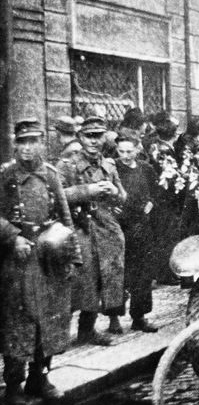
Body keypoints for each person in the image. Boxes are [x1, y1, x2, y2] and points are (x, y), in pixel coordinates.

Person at [0, 118, 81, 405]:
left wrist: (73, 256)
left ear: (42, 143)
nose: (27, 147)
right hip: (17, 262)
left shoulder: (51, 174)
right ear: (15, 144)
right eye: (22, 142)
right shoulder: (5, 175)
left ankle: (40, 378)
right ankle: (13, 386)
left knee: (49, 320)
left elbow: (65, 214)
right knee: (18, 322)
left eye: (33, 141)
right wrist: (13, 237)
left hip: (49, 258)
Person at [57, 116, 127, 344]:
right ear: (80, 137)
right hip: (80, 227)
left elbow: (123, 197)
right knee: (80, 280)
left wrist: (114, 192)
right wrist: (88, 190)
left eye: (98, 136)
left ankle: (88, 329)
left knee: (104, 279)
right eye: (89, 136)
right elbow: (58, 196)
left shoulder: (109, 164)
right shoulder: (66, 165)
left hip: (106, 228)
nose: (94, 142)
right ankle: (58, 334)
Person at [112, 136, 159, 332]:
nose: (124, 156)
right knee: (116, 272)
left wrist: (151, 202)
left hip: (141, 225)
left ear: (137, 150)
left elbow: (157, 192)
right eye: (121, 151)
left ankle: (139, 317)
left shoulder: (146, 168)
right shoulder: (111, 168)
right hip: (119, 225)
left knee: (142, 273)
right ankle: (113, 317)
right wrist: (111, 206)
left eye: (129, 151)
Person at [145, 111, 183, 285]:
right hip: (167, 200)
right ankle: (166, 273)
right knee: (167, 236)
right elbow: (170, 176)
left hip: (159, 199)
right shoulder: (165, 150)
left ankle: (161, 272)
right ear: (173, 133)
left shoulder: (155, 147)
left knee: (162, 235)